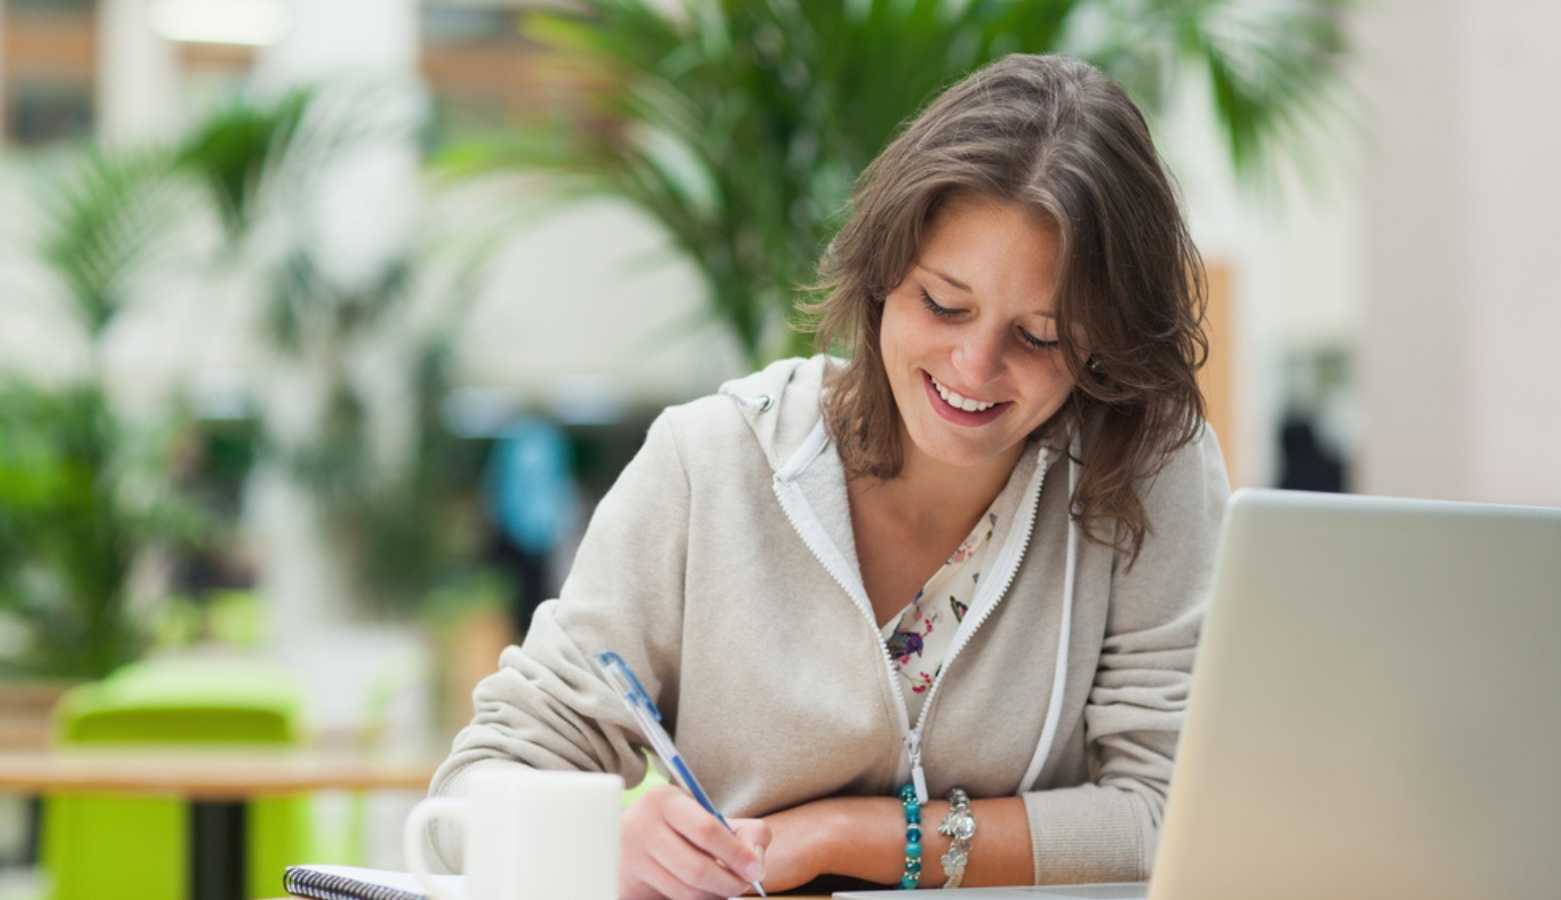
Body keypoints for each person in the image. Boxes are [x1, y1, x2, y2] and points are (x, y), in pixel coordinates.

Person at [425, 53, 1230, 897]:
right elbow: (476, 790)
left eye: (1040, 336)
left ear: (1107, 343)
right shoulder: (711, 466)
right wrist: (604, 845)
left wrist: (848, 836)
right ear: (884, 276)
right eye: (944, 305)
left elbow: (1164, 817)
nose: (974, 364)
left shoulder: (1143, 469)